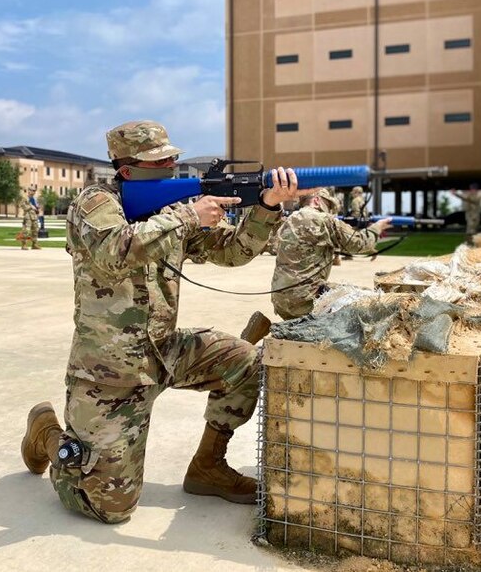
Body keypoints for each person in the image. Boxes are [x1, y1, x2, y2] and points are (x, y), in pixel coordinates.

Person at [20, 120, 306, 524]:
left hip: (163, 350)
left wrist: (268, 206)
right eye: (161, 159)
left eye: (173, 156)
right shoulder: (95, 203)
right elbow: (114, 252)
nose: (172, 164)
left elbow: (234, 252)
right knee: (109, 508)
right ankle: (47, 433)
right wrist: (189, 216)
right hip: (110, 371)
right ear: (127, 169)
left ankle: (209, 467)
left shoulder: (168, 209)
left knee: (245, 361)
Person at [271, 189, 390, 320]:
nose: (330, 211)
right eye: (328, 205)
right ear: (316, 200)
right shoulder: (323, 219)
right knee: (371, 299)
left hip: (280, 301)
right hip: (306, 302)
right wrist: (377, 228)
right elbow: (359, 243)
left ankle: (263, 326)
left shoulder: (289, 220)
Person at [19, 186, 42, 250]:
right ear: (29, 191)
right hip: (28, 216)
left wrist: (37, 208)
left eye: (34, 191)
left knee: (35, 230)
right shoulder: (25, 198)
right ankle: (24, 244)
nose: (33, 192)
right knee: (26, 230)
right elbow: (22, 205)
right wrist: (30, 207)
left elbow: (36, 207)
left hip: (34, 216)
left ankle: (34, 244)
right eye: (32, 190)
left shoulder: (34, 199)